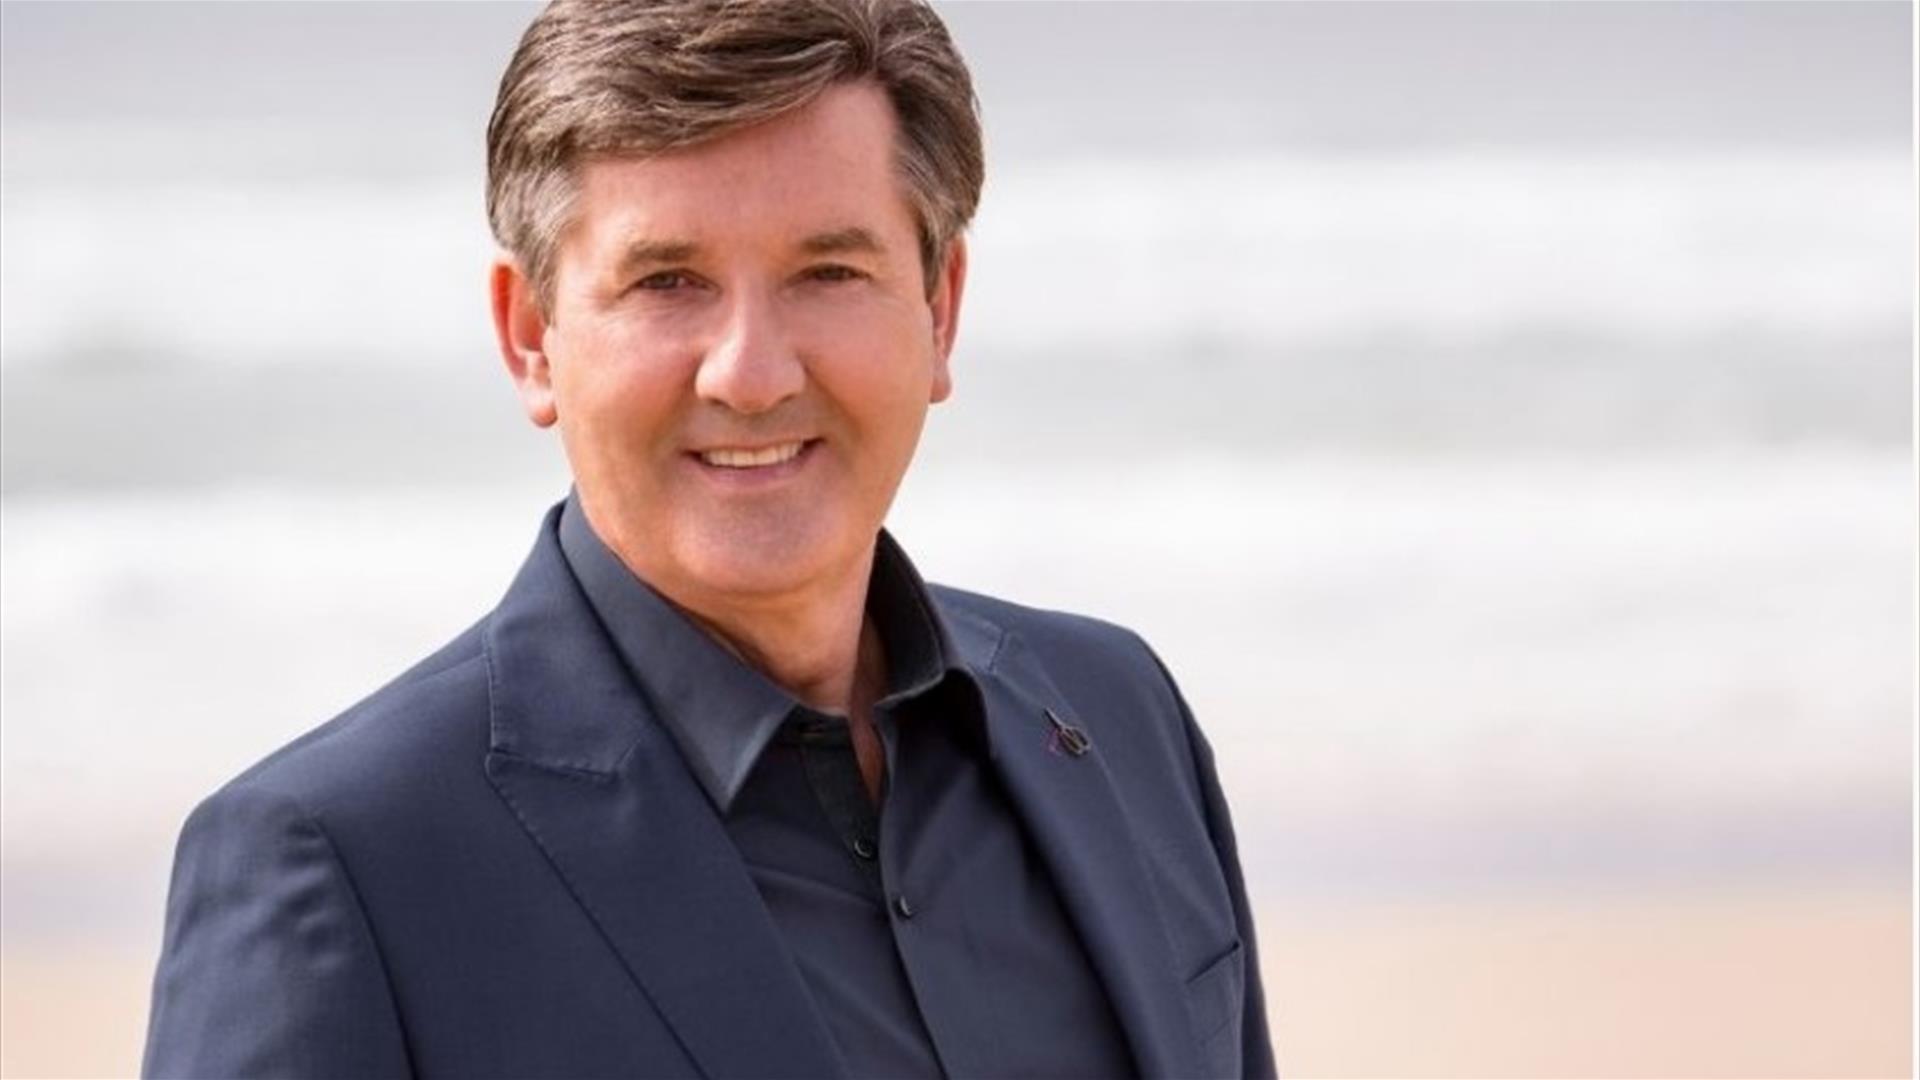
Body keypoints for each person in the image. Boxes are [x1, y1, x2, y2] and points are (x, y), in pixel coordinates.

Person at [141, 1, 1275, 1076]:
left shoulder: (1118, 713)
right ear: (532, 336)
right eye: (668, 280)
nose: (750, 373)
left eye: (828, 272)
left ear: (939, 311)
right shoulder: (342, 866)